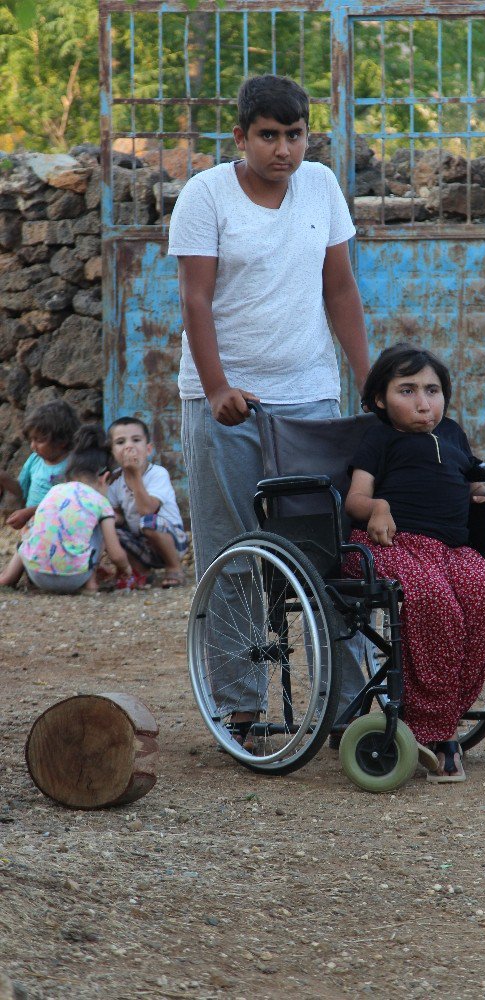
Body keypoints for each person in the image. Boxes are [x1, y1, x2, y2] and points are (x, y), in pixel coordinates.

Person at [168, 73, 370, 733]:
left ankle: (350, 707)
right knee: (233, 552)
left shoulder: (322, 186)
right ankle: (238, 703)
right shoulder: (206, 195)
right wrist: (219, 386)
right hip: (226, 404)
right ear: (240, 136)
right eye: (269, 136)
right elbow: (197, 299)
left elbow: (339, 289)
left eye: (296, 135)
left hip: (310, 397)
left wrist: (371, 383)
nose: (284, 150)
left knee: (327, 554)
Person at [343, 343, 485, 784]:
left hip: (451, 549)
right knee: (433, 599)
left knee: (484, 589)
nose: (423, 403)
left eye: (433, 391)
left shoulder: (452, 434)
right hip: (390, 546)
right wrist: (378, 507)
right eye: (408, 390)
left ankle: (443, 717)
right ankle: (432, 729)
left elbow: (477, 479)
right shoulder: (379, 437)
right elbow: (355, 498)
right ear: (380, 399)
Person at [18, 425, 133, 594]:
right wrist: (126, 569)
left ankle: (10, 577)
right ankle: (90, 584)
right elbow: (116, 554)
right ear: (105, 478)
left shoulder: (54, 491)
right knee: (100, 525)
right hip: (73, 578)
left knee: (40, 526)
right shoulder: (100, 501)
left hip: (36, 574)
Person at [0, 400, 79, 588]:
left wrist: (29, 513)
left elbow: (66, 501)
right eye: (31, 440)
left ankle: (7, 579)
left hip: (58, 527)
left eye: (40, 440)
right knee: (30, 540)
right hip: (31, 525)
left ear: (62, 441)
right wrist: (4, 479)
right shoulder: (34, 460)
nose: (34, 446)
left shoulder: (72, 464)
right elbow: (21, 490)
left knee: (31, 540)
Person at [107, 417, 188, 589]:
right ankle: (141, 572)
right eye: (121, 442)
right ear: (113, 452)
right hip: (141, 543)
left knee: (148, 522)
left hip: (172, 541)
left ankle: (174, 568)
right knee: (110, 528)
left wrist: (134, 474)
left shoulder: (158, 474)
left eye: (136, 440)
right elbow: (118, 515)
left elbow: (147, 510)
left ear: (148, 449)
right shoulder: (115, 481)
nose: (129, 446)